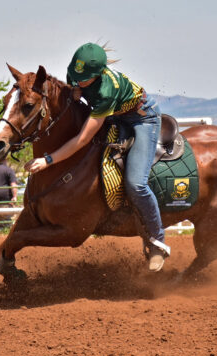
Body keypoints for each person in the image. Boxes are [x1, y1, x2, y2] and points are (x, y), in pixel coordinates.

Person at [25, 42, 172, 272]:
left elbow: (82, 139)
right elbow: (76, 88)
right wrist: (78, 89)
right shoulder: (76, 71)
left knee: (136, 183)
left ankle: (157, 242)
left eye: (84, 79)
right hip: (115, 117)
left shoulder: (107, 90)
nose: (77, 80)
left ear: (99, 74)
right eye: (76, 75)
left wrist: (48, 160)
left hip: (142, 119)